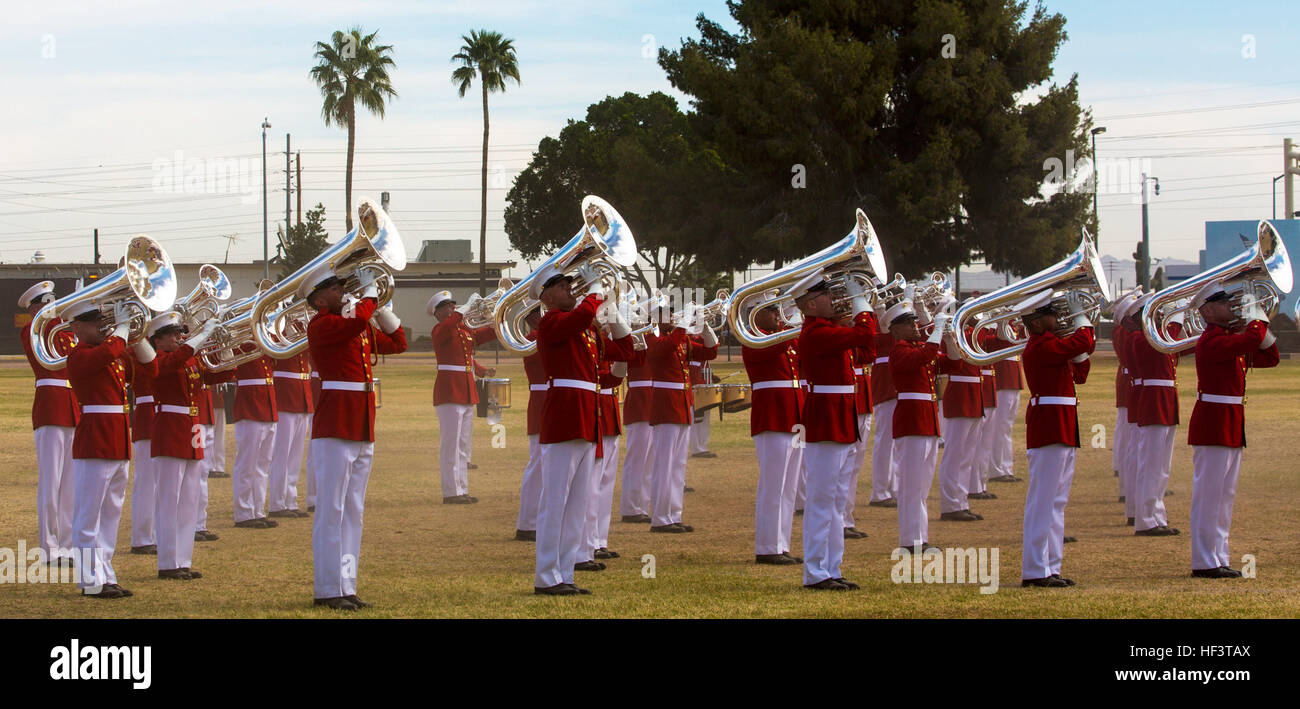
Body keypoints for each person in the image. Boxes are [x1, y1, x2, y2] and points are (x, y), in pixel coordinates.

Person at [303, 265, 406, 610]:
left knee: (353, 511)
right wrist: (368, 296)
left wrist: (382, 306)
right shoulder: (321, 325)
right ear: (319, 298)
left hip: (361, 420)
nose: (342, 290)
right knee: (331, 509)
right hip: (335, 423)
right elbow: (357, 322)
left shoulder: (353, 324)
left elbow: (398, 343)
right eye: (334, 287)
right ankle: (327, 589)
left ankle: (346, 583)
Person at [531, 264, 634, 595]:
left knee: (577, 502)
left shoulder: (586, 330)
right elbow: (578, 316)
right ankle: (546, 576)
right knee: (555, 502)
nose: (570, 290)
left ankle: (566, 573)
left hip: (587, 417)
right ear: (546, 296)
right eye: (563, 287)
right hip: (563, 416)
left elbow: (627, 351)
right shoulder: (551, 323)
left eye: (571, 286)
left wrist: (614, 312)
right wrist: (594, 291)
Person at [1186, 280, 1279, 578]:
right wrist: (1254, 316)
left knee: (1224, 497)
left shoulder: (1229, 337)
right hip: (1214, 422)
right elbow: (1250, 341)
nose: (1231, 306)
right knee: (1209, 495)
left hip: (1230, 421)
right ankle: (1203, 560)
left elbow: (1271, 357)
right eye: (1225, 303)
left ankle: (1218, 556)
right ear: (1209, 311)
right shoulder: (1212, 340)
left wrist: (1257, 319)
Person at [791, 269, 876, 591]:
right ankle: (816, 572)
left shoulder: (829, 329)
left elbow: (868, 351)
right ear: (811, 305)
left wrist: (862, 308)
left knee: (837, 499)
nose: (833, 298)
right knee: (822, 498)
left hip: (840, 416)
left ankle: (832, 567)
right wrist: (859, 302)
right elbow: (864, 336)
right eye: (826, 295)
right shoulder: (815, 333)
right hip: (826, 418)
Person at [1017, 289, 1095, 588]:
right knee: (1043, 501)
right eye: (1050, 314)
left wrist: (1075, 339)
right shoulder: (1039, 346)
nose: (1056, 317)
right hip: (1049, 426)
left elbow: (1082, 372)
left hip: (1062, 425)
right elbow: (1085, 339)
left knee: (1057, 501)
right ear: (1035, 323)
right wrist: (1079, 318)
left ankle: (1050, 565)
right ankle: (1035, 569)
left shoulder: (1053, 344)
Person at [65, 299, 138, 598]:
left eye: (102, 320)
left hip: (117, 439)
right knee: (87, 517)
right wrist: (120, 329)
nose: (101, 325)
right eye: (93, 321)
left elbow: (140, 367)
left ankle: (106, 575)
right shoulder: (78, 356)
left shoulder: (111, 354)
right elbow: (109, 350)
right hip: (96, 440)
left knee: (110, 516)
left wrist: (135, 332)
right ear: (77, 327)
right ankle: (90, 580)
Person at [145, 312, 219, 580]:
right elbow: (174, 362)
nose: (179, 338)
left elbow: (214, 375)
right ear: (159, 340)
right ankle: (167, 562)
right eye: (174, 335)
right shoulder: (157, 359)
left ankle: (182, 560)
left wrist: (222, 346)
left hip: (192, 425)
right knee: (168, 498)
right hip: (170, 424)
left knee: (189, 498)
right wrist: (199, 339)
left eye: (180, 334)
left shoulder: (187, 358)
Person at [741, 291, 805, 565]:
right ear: (756, 313)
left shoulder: (784, 337)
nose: (778, 315)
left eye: (778, 310)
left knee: (790, 486)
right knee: (773, 484)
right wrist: (798, 324)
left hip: (793, 414)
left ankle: (781, 543)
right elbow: (775, 348)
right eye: (772, 310)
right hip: (772, 415)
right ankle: (767, 547)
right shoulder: (753, 339)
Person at [19, 282, 80, 566]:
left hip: (72, 407)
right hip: (51, 406)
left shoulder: (67, 333)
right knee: (51, 481)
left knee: (70, 483)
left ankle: (68, 544)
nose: (53, 306)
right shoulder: (34, 330)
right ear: (35, 308)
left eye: (54, 302)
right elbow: (50, 357)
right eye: (46, 303)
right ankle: (50, 547)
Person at [647, 304, 718, 533]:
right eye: (665, 314)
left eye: (671, 313)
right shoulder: (650, 337)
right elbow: (664, 350)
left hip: (682, 403)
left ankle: (673, 515)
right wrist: (684, 323)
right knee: (664, 464)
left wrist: (704, 325)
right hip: (666, 404)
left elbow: (710, 351)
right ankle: (660, 517)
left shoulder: (680, 339)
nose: (671, 316)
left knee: (678, 465)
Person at [887, 290, 947, 555]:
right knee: (911, 486)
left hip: (926, 421)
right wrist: (938, 331)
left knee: (921, 486)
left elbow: (953, 363)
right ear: (897, 329)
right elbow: (925, 356)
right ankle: (910, 540)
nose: (915, 326)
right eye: (909, 323)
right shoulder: (899, 351)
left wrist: (949, 336)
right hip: (912, 422)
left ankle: (920, 538)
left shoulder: (916, 348)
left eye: (914, 322)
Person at [428, 290, 497, 504]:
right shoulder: (440, 329)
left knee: (462, 444)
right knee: (451, 445)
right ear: (437, 313)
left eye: (453, 305)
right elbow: (449, 326)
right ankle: (451, 491)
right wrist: (467, 307)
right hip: (450, 391)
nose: (452, 309)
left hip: (467, 391)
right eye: (447, 307)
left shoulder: (463, 330)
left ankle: (461, 489)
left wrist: (495, 316)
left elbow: (487, 335)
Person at [1129, 302, 1183, 537]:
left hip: (1165, 401)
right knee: (1151, 466)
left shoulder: (1155, 336)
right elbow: (1168, 339)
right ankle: (1146, 519)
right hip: (1154, 402)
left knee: (1161, 467)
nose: (1161, 315)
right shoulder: (1142, 338)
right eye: (1155, 312)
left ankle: (1156, 515)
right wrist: (1180, 315)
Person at [936, 315, 986, 522]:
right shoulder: (959, 335)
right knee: (955, 454)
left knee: (966, 455)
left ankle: (961, 501)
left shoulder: (969, 333)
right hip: (960, 394)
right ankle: (950, 504)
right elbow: (976, 338)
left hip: (973, 393)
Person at [231, 342, 278, 528]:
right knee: (247, 464)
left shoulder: (265, 337)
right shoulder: (241, 341)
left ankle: (258, 510)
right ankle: (243, 512)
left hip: (267, 403)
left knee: (262, 465)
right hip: (250, 404)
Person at [619, 325, 658, 524]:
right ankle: (631, 506)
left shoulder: (652, 338)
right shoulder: (633, 340)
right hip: (640, 399)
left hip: (653, 399)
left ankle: (642, 504)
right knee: (637, 458)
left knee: (649, 459)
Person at [268, 351, 313, 518]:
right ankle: (277, 502)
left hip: (302, 394)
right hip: (285, 394)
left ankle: (291, 500)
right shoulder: (279, 330)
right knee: (282, 454)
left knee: (295, 456)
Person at [514, 306, 546, 541]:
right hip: (542, 400)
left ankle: (535, 520)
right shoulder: (532, 339)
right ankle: (528, 522)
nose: (543, 317)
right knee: (538, 464)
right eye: (538, 314)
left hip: (549, 397)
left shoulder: (541, 335)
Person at [985, 320, 1025, 483]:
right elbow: (1001, 336)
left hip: (1013, 382)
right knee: (999, 428)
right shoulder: (998, 327)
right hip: (1003, 382)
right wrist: (1002, 319)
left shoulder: (1015, 327)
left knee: (1006, 428)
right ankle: (996, 469)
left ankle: (1006, 467)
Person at [867, 310, 898, 508]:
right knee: (885, 441)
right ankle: (880, 491)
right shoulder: (874, 322)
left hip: (895, 386)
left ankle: (892, 487)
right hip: (885, 385)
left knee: (894, 442)